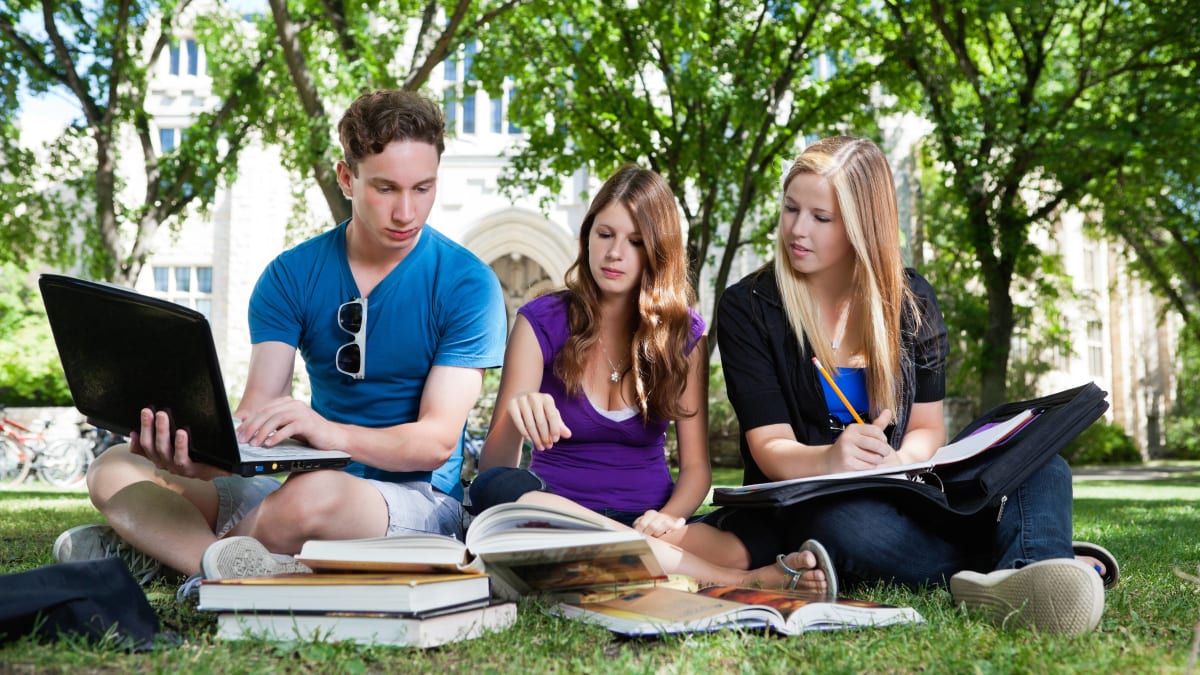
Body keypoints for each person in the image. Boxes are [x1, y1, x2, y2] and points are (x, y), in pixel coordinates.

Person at [52, 89, 508, 593]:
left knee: (312, 495)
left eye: (423, 188)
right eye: (386, 188)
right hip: (296, 491)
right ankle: (221, 562)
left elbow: (435, 442)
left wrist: (329, 433)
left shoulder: (468, 284)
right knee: (115, 467)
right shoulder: (291, 273)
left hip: (416, 500)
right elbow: (258, 412)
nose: (406, 211)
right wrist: (204, 459)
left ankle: (174, 554)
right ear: (346, 178)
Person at [708, 135, 1115, 634]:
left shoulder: (911, 300)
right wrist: (832, 458)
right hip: (818, 504)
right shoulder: (749, 306)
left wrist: (899, 461)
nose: (797, 229)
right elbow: (770, 447)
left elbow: (926, 428)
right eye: (791, 209)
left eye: (821, 217)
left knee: (1045, 466)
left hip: (911, 494)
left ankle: (1022, 573)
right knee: (841, 527)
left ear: (863, 226)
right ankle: (1032, 562)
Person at [468, 165, 835, 595]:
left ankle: (620, 560)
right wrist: (517, 413)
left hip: (650, 522)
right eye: (605, 234)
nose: (614, 253)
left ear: (657, 251)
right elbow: (494, 467)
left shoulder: (683, 336)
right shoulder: (540, 321)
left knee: (749, 538)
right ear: (587, 236)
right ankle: (734, 580)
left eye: (636, 242)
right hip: (558, 519)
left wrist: (670, 516)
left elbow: (696, 469)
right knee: (494, 490)